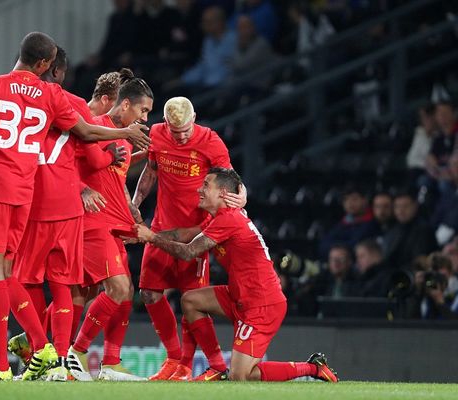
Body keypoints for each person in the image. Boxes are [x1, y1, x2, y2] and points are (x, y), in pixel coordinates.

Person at [0, 31, 150, 382]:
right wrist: (122, 136)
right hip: (27, 196)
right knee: (42, 279)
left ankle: (4, 363)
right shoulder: (52, 96)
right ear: (47, 65)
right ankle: (48, 350)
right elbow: (88, 134)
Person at [132, 168, 338, 382]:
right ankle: (217, 367)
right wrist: (144, 234)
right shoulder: (218, 219)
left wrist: (152, 238)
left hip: (261, 304)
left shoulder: (228, 220)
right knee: (191, 300)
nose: (199, 189)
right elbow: (180, 235)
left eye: (205, 186)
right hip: (239, 296)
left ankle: (312, 368)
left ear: (222, 193)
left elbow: (188, 252)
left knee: (240, 376)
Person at [7, 48, 126, 382]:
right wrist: (112, 151)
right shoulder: (69, 102)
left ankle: (38, 348)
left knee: (25, 279)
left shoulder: (12, 96)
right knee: (64, 283)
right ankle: (59, 359)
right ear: (57, 72)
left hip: (31, 199)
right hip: (67, 207)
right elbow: (89, 145)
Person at [131, 96, 242, 381]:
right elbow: (151, 170)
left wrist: (242, 196)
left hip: (196, 231)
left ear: (194, 118)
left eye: (184, 130)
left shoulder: (211, 141)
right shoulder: (156, 133)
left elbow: (231, 181)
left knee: (191, 299)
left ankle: (186, 365)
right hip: (162, 225)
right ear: (165, 123)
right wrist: (136, 200)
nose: (180, 136)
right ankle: (173, 358)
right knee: (148, 293)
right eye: (174, 130)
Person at [67, 72, 155, 382]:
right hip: (92, 220)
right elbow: (63, 164)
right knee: (113, 288)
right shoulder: (96, 128)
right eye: (143, 110)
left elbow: (115, 174)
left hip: (112, 221)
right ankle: (74, 354)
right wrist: (81, 189)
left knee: (121, 291)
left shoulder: (126, 137)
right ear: (126, 104)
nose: (145, 117)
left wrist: (130, 211)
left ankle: (111, 363)